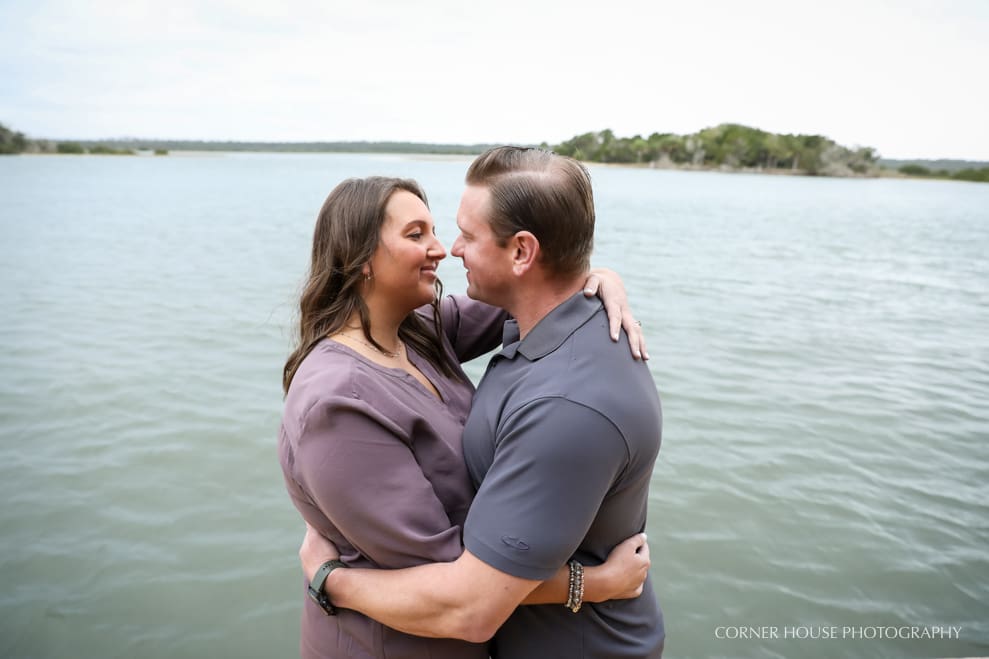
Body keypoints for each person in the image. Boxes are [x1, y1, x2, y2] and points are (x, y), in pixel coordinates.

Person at [299, 147, 665, 658]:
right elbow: (462, 593)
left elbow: (544, 286)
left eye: (462, 235)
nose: (447, 249)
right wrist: (592, 581)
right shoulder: (342, 399)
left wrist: (601, 277)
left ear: (520, 252)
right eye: (417, 234)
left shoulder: (424, 335)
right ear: (359, 261)